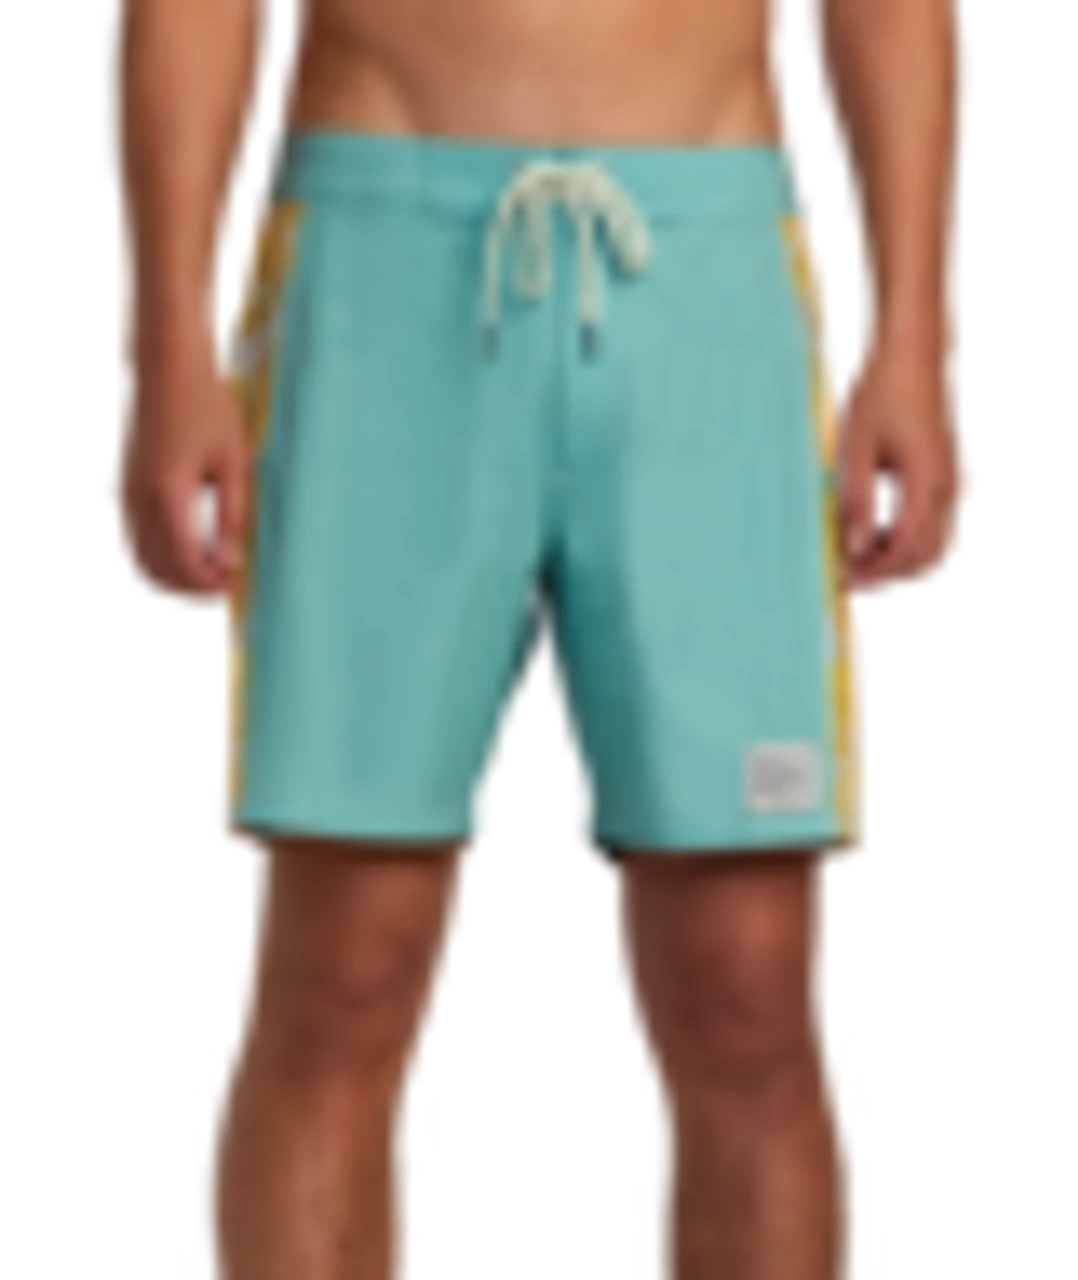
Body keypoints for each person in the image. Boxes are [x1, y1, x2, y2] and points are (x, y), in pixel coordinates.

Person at [108, 2, 976, 1276]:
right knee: (344, 954)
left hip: (713, 261)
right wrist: (164, 338)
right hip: (374, 249)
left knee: (748, 970)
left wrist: (917, 331)